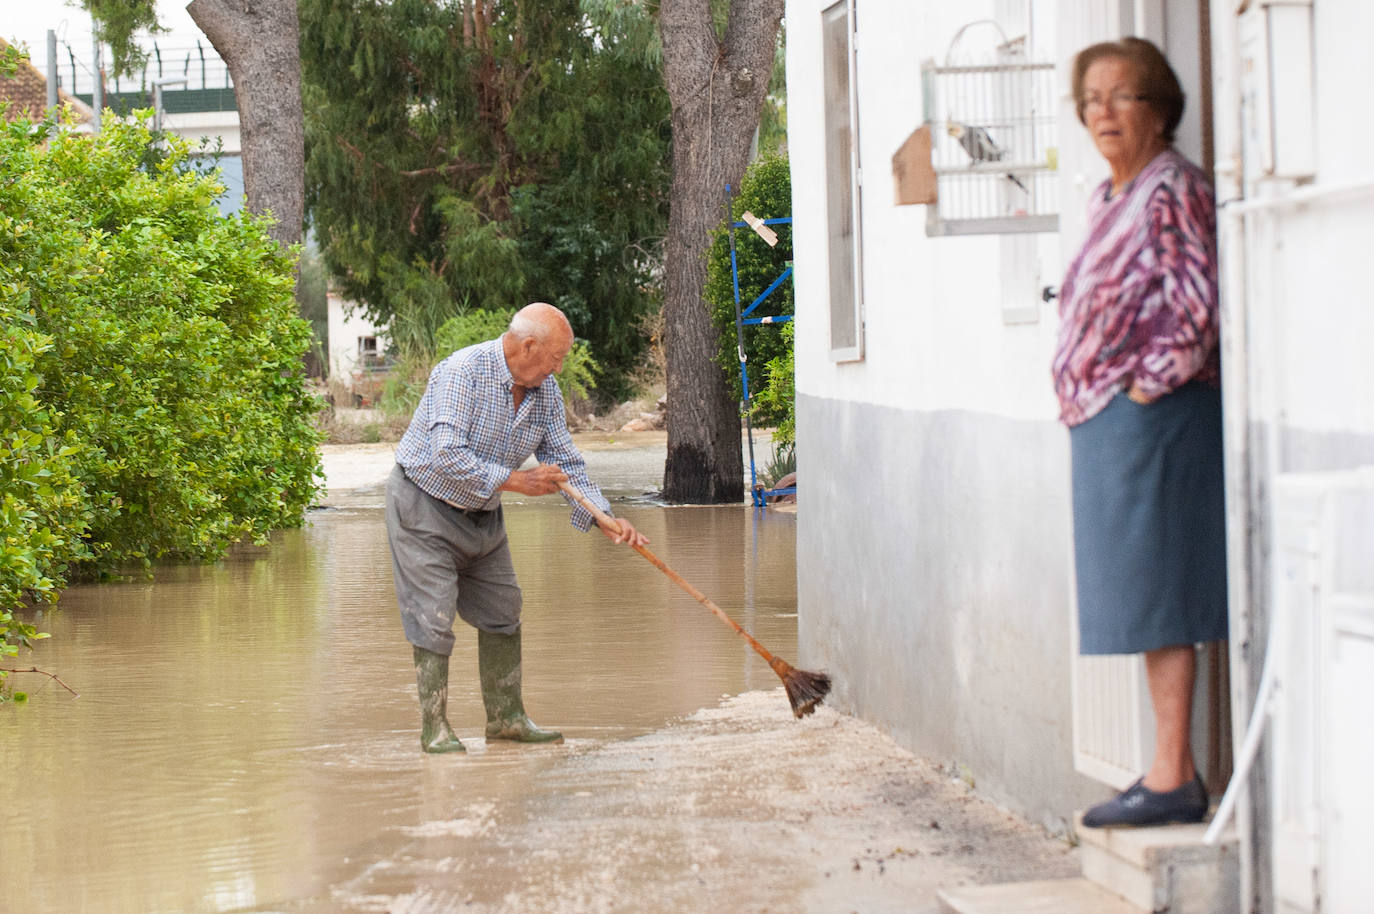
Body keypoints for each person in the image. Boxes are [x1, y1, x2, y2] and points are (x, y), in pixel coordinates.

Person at [1053, 38, 1226, 828]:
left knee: (1162, 592)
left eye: (1122, 96)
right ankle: (1165, 768)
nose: (1104, 112)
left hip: (1157, 420)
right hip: (1111, 422)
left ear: (1159, 107)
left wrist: (1140, 388)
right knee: (1141, 595)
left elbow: (1199, 306)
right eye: (1091, 98)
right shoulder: (1108, 197)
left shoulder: (1170, 191)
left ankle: (1171, 776)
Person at [385, 301, 648, 754]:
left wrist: (604, 516)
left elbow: (565, 462)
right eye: (556, 357)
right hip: (423, 507)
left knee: (504, 609)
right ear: (528, 346)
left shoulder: (544, 391)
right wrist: (519, 482)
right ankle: (435, 729)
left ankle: (506, 720)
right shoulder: (462, 372)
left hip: (482, 512)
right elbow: (446, 455)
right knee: (433, 616)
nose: (558, 367)